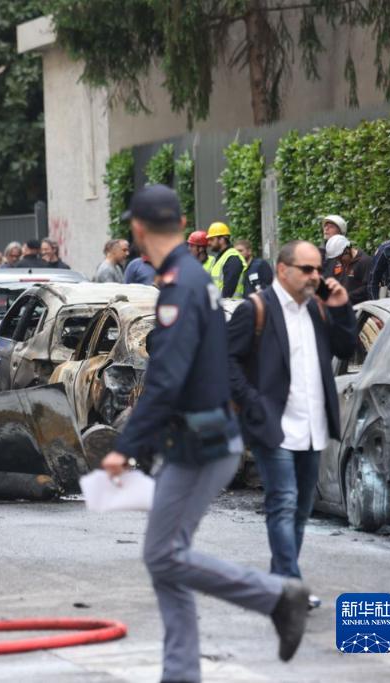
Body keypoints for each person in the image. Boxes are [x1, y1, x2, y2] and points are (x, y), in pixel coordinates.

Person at [102, 184, 310, 683]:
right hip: (203, 437)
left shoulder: (181, 284)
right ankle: (181, 673)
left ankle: (276, 596)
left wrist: (125, 448)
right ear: (179, 224)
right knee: (168, 562)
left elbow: (167, 377)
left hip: (199, 443)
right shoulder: (195, 277)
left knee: (162, 554)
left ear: (137, 230)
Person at [227, 240, 356, 610]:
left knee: (301, 508)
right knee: (282, 503)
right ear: (283, 270)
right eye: (307, 269)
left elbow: (346, 348)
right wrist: (254, 403)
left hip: (313, 425)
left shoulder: (317, 308)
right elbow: (226, 361)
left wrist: (341, 307)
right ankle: (291, 585)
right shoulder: (255, 309)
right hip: (274, 426)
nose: (316, 276)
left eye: (318, 269)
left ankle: (279, 581)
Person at [326, 235, 371, 305]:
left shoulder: (364, 262)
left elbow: (367, 288)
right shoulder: (345, 262)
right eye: (337, 259)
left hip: (359, 307)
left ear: (347, 250)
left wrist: (347, 296)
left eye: (340, 258)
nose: (339, 262)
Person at [207, 222, 247, 299]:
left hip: (232, 304)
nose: (209, 243)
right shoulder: (222, 257)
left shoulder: (232, 258)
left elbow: (228, 290)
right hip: (223, 304)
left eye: (212, 239)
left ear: (222, 239)